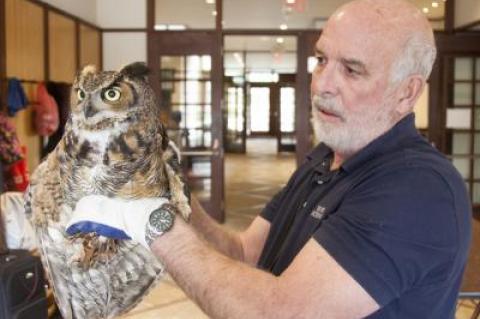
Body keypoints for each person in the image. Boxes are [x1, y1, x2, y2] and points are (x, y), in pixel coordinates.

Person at [66, 0, 472, 317]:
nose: (322, 85)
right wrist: (170, 191)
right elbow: (243, 254)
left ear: (407, 93)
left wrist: (152, 221)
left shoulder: (419, 189)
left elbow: (280, 311)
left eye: (352, 70)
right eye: (322, 60)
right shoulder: (324, 157)